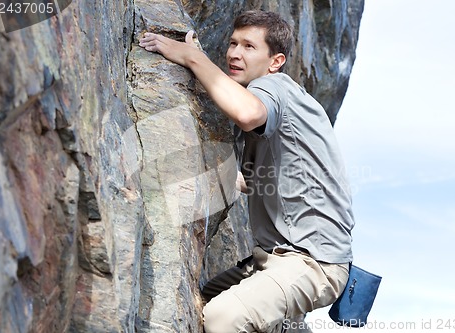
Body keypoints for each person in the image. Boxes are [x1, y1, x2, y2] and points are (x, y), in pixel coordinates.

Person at [139, 10, 355, 333]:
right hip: (272, 258)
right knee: (203, 299)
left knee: (222, 318)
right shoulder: (273, 111)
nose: (234, 53)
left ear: (275, 62)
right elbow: (259, 181)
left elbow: (246, 112)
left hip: (313, 263)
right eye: (232, 43)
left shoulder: (277, 88)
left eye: (249, 47)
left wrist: (192, 58)